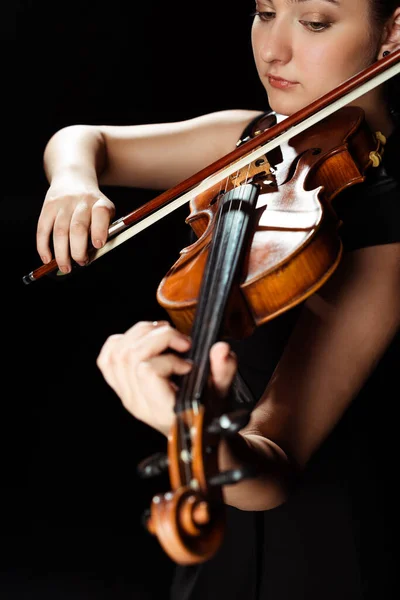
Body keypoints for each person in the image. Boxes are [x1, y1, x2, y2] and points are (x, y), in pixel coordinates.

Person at [36, 1, 400, 598]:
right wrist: (74, 179)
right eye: (264, 12)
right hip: (224, 526)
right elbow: (83, 139)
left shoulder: (386, 219)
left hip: (325, 549)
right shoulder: (256, 141)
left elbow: (276, 462)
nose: (273, 50)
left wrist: (189, 430)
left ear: (393, 32)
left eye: (313, 23)